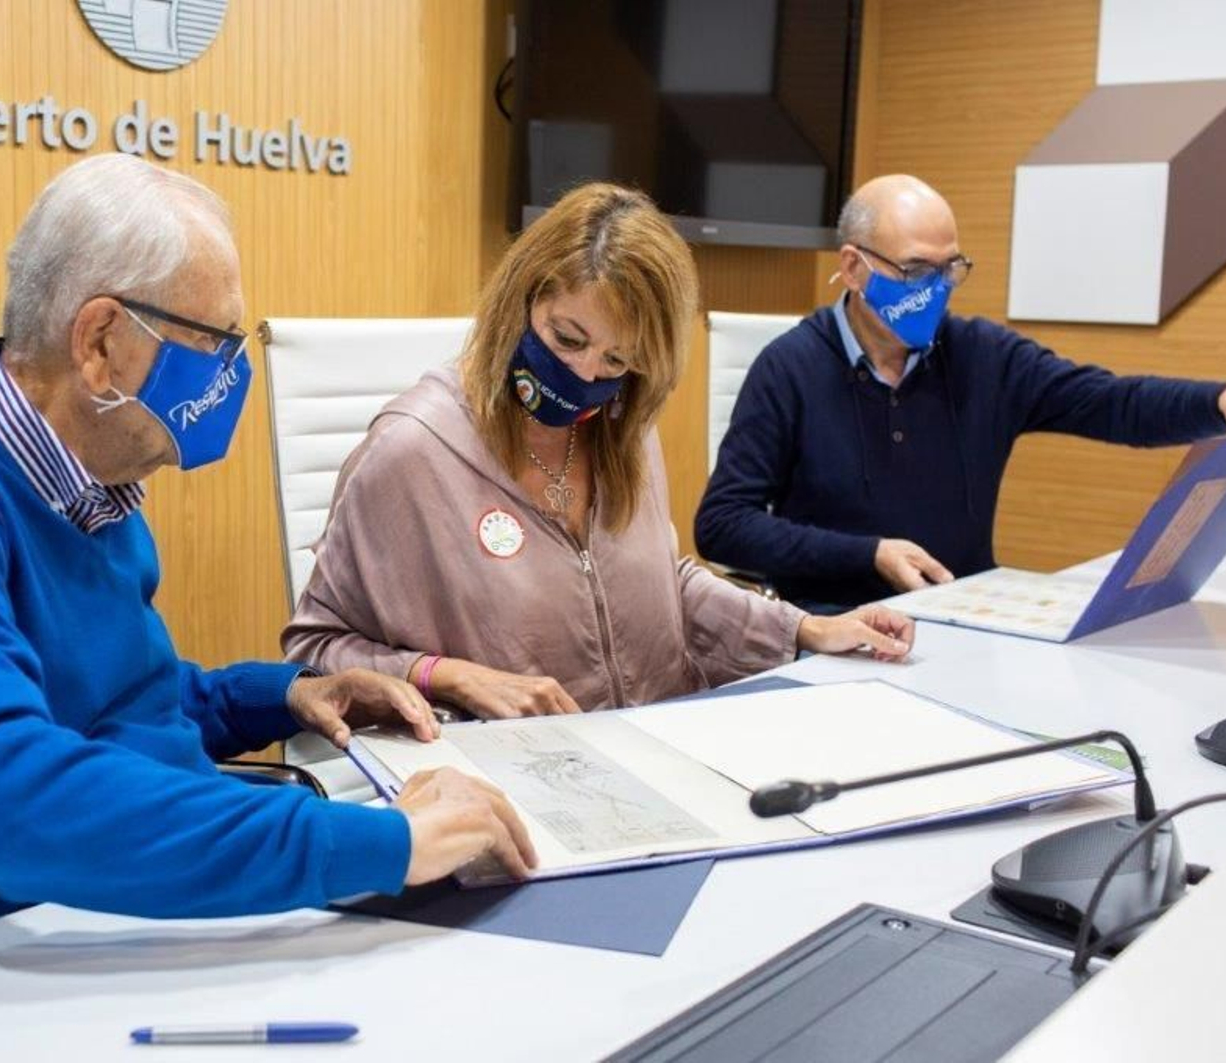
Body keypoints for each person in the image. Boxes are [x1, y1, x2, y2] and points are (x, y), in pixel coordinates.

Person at [0, 154, 534, 959]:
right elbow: (8, 803)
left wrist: (287, 695)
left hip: (100, 919)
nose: (229, 375)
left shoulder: (90, 481)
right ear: (99, 340)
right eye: (213, 343)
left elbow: (115, 702)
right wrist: (388, 844)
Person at [281, 183, 914, 718]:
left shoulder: (623, 424)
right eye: (567, 338)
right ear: (524, 299)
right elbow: (313, 652)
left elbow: (659, 584)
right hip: (508, 790)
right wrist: (444, 675)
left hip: (655, 751)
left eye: (616, 358)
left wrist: (802, 629)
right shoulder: (411, 451)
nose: (585, 375)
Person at [695, 174, 1226, 612]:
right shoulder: (789, 368)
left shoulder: (983, 356)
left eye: (950, 269)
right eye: (916, 271)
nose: (936, 290)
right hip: (833, 628)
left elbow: (1111, 401)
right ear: (854, 268)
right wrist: (869, 555)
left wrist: (1220, 403)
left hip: (964, 622)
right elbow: (723, 526)